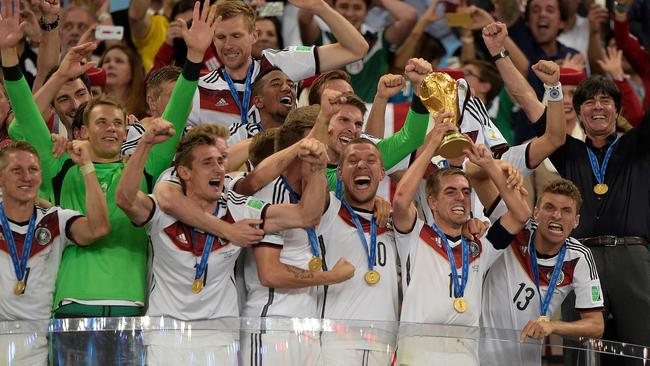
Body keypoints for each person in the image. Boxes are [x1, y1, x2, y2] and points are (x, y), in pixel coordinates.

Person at [3, 1, 216, 361]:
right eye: (101, 122)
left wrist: (194, 56)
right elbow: (24, 118)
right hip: (71, 305)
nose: (112, 129)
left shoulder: (145, 167)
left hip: (130, 307)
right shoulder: (60, 166)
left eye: (117, 123)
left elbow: (177, 114)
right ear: (82, 130)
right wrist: (9, 54)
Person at [115, 117, 329, 364]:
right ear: (184, 172)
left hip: (219, 337)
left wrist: (316, 170)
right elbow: (125, 198)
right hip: (166, 335)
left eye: (220, 161)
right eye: (208, 163)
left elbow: (306, 215)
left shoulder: (239, 209)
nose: (219, 169)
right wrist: (145, 143)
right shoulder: (162, 211)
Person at [527, 68, 650, 366]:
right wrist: (500, 51)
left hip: (631, 254)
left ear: (617, 110)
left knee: (640, 350)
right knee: (580, 353)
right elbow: (532, 109)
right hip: (579, 256)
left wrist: (622, 78)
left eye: (606, 100)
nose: (598, 107)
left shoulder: (637, 146)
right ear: (579, 114)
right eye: (589, 102)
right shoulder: (568, 151)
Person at [391, 118, 531, 365]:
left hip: (464, 356)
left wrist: (489, 165)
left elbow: (520, 215)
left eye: (466, 192)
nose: (461, 198)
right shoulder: (415, 235)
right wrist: (432, 145)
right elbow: (402, 199)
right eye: (450, 191)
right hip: (417, 356)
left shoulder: (479, 247)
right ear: (432, 201)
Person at [0, 140, 110, 365]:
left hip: (38, 341)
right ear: (1, 178)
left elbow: (98, 227)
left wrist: (87, 167)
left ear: (41, 176)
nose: (27, 177)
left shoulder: (54, 219)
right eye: (16, 170)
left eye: (33, 170)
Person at [480, 178, 604, 366]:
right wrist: (499, 167)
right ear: (536, 213)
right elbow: (477, 177)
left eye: (566, 211)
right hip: (478, 358)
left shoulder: (579, 257)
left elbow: (596, 326)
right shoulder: (515, 227)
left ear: (576, 221)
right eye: (549, 207)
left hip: (526, 361)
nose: (557, 216)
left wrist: (552, 326)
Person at [187, 0, 368, 127]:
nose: (228, 45)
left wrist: (320, 7)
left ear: (254, 36)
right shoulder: (199, 89)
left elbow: (356, 49)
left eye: (236, 36)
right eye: (220, 37)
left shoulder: (279, 63)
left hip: (284, 175)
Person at [316, 138, 399, 365]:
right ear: (339, 174)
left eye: (371, 160)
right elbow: (313, 177)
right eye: (352, 161)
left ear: (382, 173)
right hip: (337, 345)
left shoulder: (395, 223)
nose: (361, 165)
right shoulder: (328, 211)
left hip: (385, 346)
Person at [298, 0, 417, 101]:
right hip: (328, 116)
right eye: (344, 6)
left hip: (371, 117)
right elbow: (304, 19)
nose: (350, 13)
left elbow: (409, 17)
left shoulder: (378, 41)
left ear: (367, 11)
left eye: (357, 7)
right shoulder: (322, 38)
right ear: (332, 8)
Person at [227, 67, 296, 146]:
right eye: (276, 84)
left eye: (291, 85)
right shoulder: (241, 133)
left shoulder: (304, 134)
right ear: (258, 101)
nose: (287, 88)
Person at [98, 45, 147, 118]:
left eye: (119, 61)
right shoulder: (90, 110)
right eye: (106, 61)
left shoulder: (146, 118)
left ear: (133, 71)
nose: (110, 65)